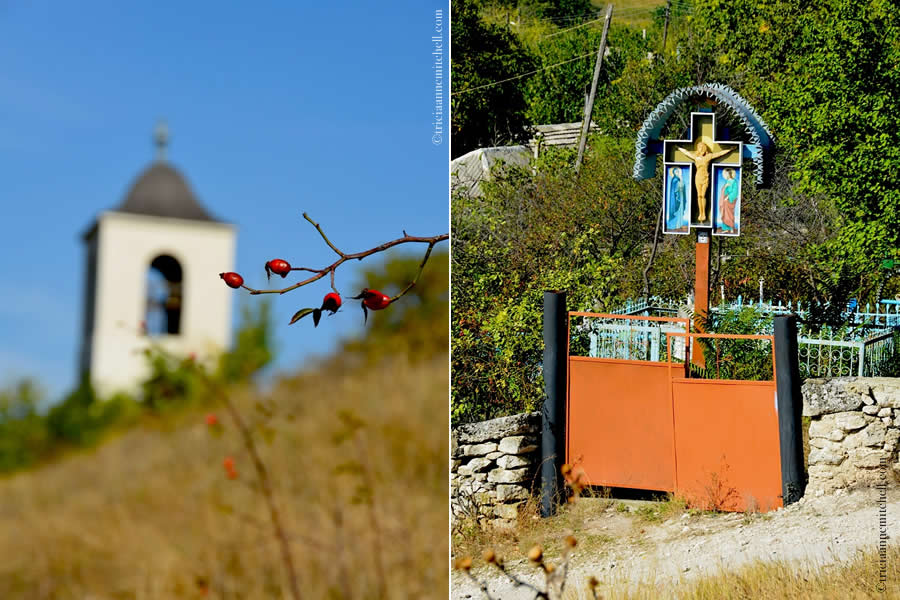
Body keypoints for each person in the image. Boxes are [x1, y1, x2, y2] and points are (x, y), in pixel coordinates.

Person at [676, 140, 731, 223]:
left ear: (705, 148)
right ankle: (700, 213)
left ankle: (703, 213)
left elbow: (720, 153)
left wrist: (730, 149)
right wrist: (678, 147)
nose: (701, 149)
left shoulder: (708, 157)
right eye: (699, 147)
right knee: (699, 196)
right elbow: (686, 153)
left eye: (702, 147)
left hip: (705, 178)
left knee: (703, 195)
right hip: (698, 178)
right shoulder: (695, 157)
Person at [718, 168, 739, 232]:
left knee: (730, 214)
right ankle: (726, 228)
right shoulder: (726, 181)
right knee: (724, 213)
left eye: (727, 174)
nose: (726, 175)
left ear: (730, 174)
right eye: (725, 174)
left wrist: (729, 197)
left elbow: (735, 191)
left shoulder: (734, 181)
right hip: (724, 200)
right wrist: (725, 186)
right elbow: (723, 190)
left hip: (730, 200)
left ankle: (731, 227)